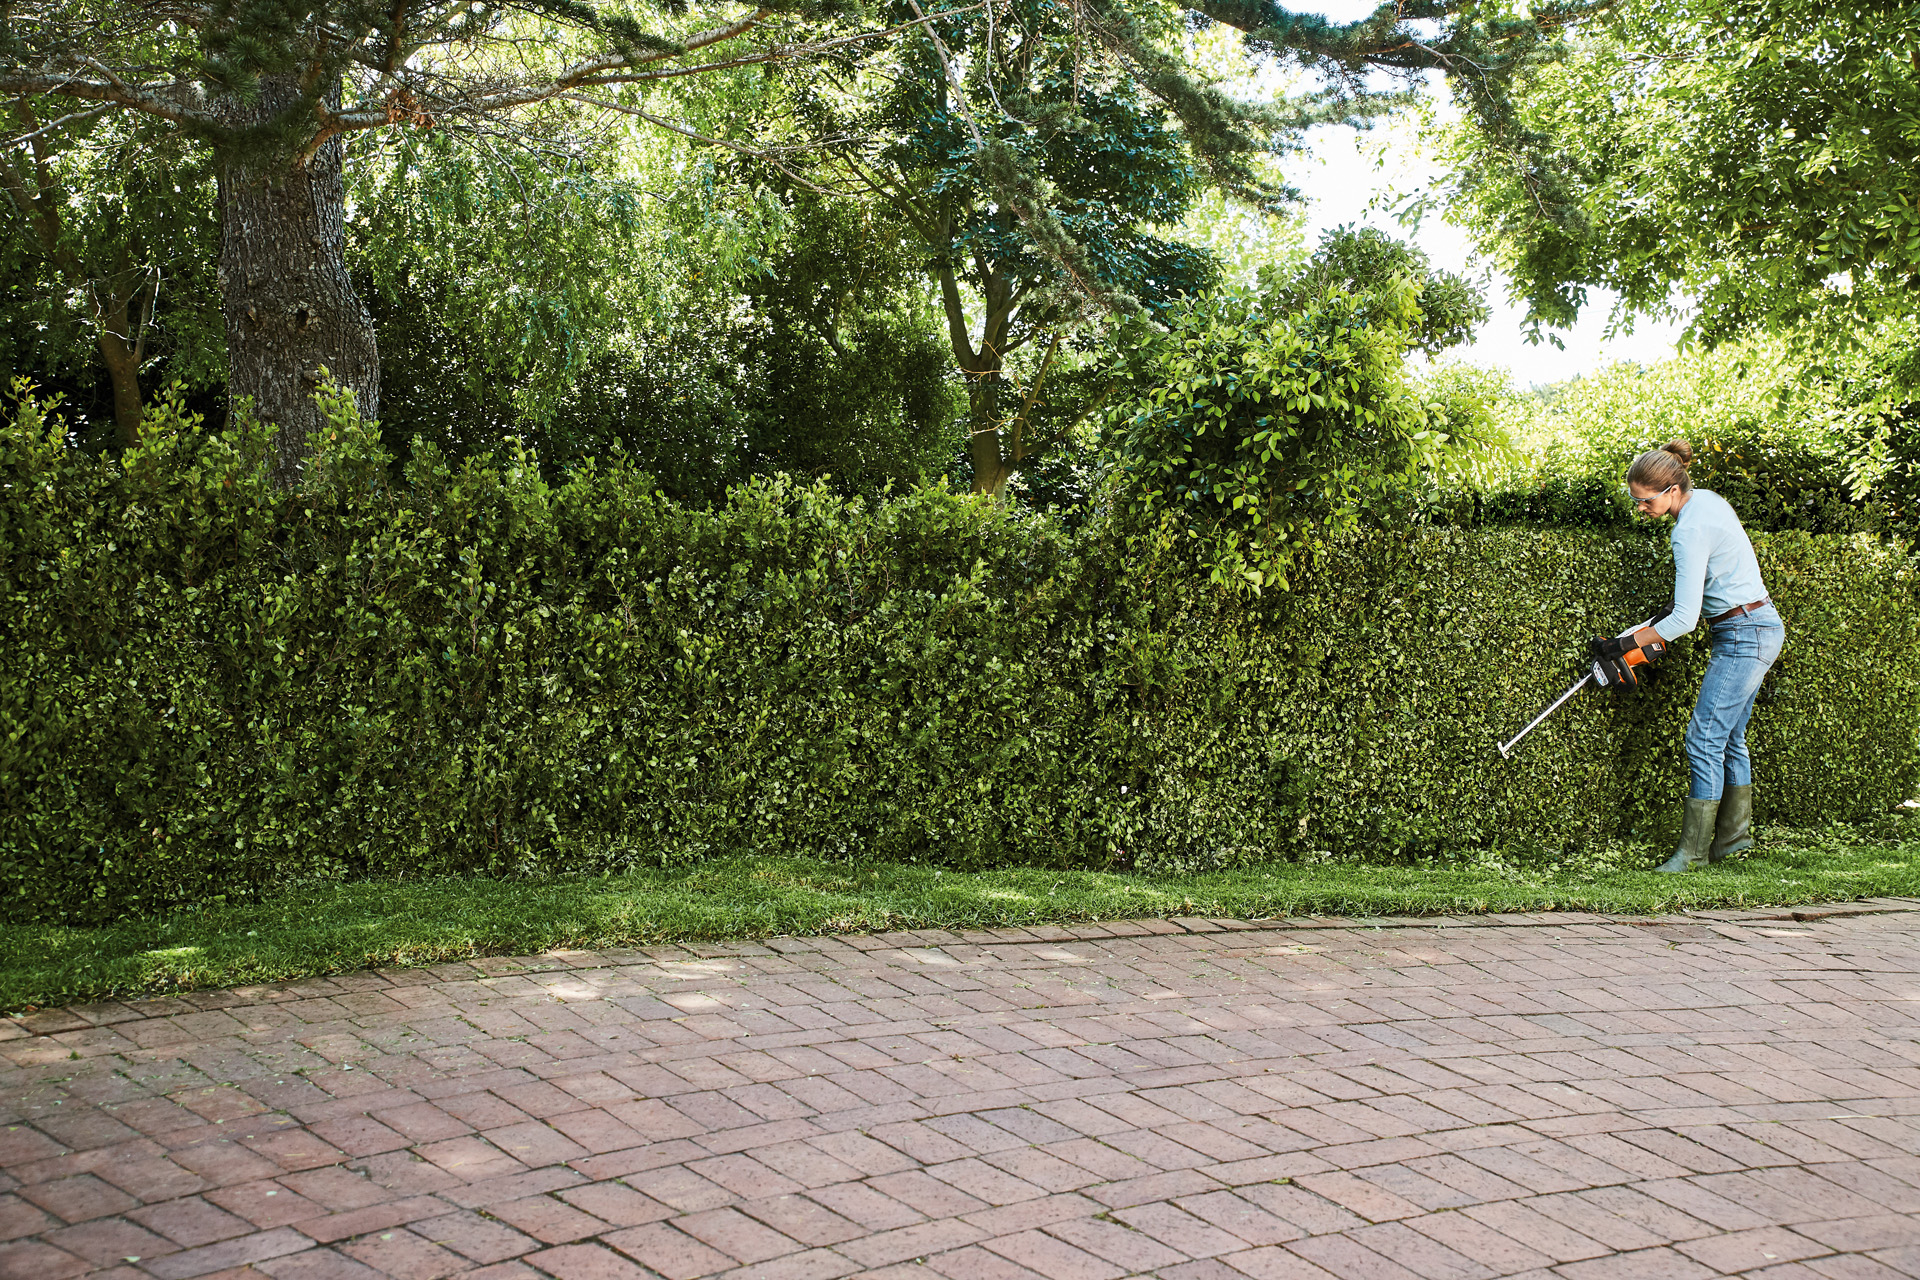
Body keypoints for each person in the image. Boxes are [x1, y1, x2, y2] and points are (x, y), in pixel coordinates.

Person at [1619, 440, 1785, 873]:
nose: (1640, 508)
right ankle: (1732, 842)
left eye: (1645, 500)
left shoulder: (1688, 530)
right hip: (1757, 625)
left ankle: (1691, 854)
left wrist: (1626, 646)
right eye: (1635, 500)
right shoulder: (1706, 501)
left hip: (1744, 634)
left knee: (1704, 738)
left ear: (1671, 489)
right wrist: (1637, 635)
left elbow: (1684, 620)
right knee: (1730, 738)